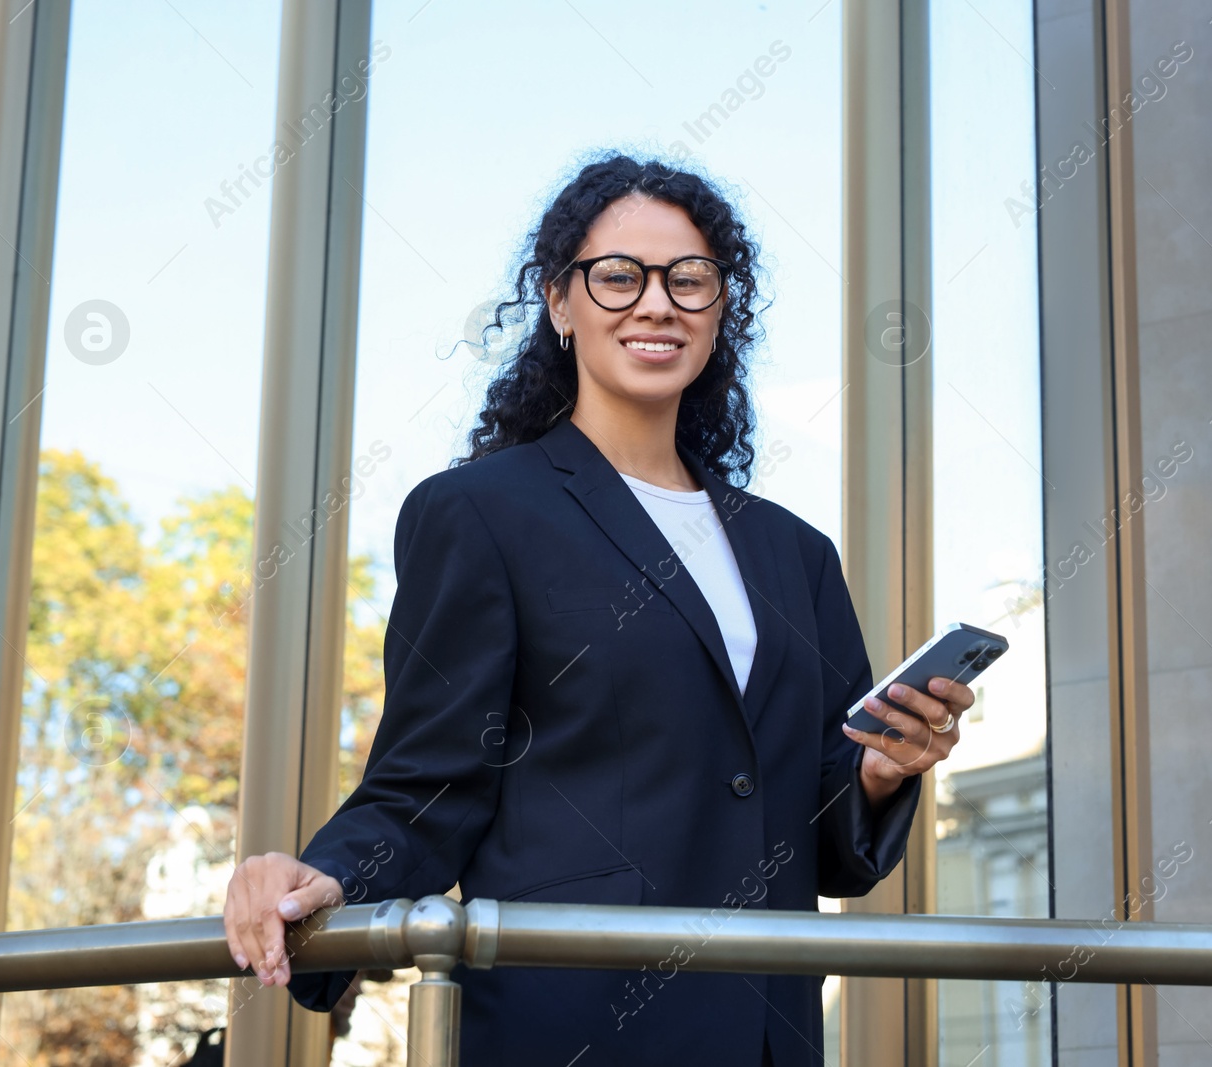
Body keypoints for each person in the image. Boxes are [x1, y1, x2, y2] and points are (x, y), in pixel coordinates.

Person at [221, 154, 973, 1067]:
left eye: (689, 279)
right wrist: (327, 875)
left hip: (768, 1026)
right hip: (574, 1019)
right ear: (559, 304)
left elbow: (824, 842)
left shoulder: (794, 553)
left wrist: (885, 771)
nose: (657, 303)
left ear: (719, 309)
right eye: (618, 276)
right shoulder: (482, 513)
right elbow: (432, 780)